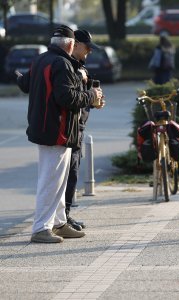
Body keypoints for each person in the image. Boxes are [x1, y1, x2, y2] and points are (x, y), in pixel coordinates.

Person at [16, 25, 103, 243]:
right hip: (57, 130)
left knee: (58, 180)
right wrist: (91, 95)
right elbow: (67, 98)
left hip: (48, 129)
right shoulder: (61, 64)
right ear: (71, 44)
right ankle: (41, 228)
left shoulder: (41, 59)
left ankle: (58, 222)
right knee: (51, 181)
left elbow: (24, 84)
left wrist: (19, 76)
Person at [65, 29, 105, 231]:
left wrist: (95, 100)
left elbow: (84, 97)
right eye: (87, 47)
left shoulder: (81, 67)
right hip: (68, 129)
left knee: (73, 173)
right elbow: (69, 97)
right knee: (66, 175)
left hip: (79, 127)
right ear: (76, 45)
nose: (89, 51)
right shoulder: (67, 66)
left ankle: (66, 215)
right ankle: (61, 218)